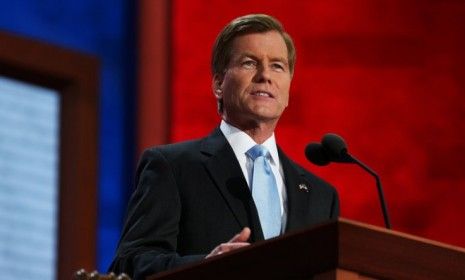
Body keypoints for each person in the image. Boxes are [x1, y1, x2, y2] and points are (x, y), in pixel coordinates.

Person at [109, 14, 339, 279]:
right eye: (250, 63)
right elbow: (129, 265)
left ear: (288, 87)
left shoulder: (322, 197)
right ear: (219, 83)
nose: (265, 76)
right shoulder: (173, 167)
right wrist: (206, 267)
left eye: (277, 66)